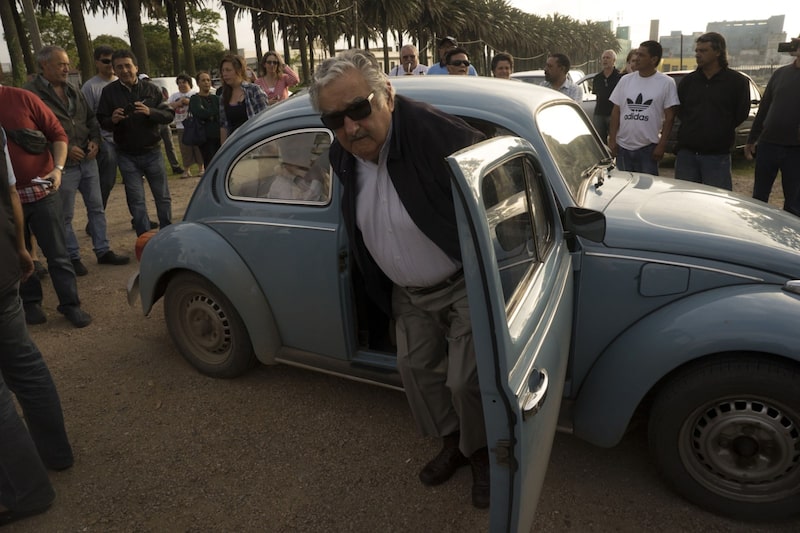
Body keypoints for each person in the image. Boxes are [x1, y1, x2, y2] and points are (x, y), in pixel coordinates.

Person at [309, 49, 490, 508]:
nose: (350, 127)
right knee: (416, 372)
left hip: (463, 283)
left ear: (387, 94)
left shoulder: (445, 139)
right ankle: (453, 443)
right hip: (407, 291)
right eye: (335, 119)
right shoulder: (342, 154)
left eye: (358, 109)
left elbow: (497, 212)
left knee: (465, 382)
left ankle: (484, 453)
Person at [0, 127, 73, 527]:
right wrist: (21, 248)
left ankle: (24, 491)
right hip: (3, 257)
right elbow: (9, 190)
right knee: (24, 363)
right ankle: (56, 455)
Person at [24, 45, 129, 275]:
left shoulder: (74, 90)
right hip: (62, 166)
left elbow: (91, 119)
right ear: (45, 65)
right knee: (65, 215)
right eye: (61, 64)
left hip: (87, 160)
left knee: (97, 208)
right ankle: (72, 256)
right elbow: (31, 132)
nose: (66, 68)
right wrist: (63, 148)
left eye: (67, 63)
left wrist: (95, 141)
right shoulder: (31, 94)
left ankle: (103, 250)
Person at [0, 85, 93, 328]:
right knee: (16, 253)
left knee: (57, 253)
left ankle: (70, 304)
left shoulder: (23, 98)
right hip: (5, 201)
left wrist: (58, 170)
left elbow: (58, 134)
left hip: (40, 191)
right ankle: (31, 303)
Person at [96, 49, 175, 236]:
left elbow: (168, 115)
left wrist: (150, 112)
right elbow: (101, 120)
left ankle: (168, 234)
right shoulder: (108, 92)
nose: (124, 70)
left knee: (162, 197)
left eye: (128, 66)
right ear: (114, 70)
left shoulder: (152, 89)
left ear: (136, 67)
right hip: (126, 154)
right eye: (119, 67)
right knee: (136, 200)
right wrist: (112, 120)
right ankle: (144, 238)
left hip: (153, 151)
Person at [674, 33, 751, 190]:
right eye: (697, 51)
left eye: (703, 51)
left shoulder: (736, 82)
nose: (698, 55)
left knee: (717, 205)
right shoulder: (689, 82)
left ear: (718, 52)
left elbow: (741, 112)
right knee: (683, 203)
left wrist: (720, 128)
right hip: (687, 154)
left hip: (717, 155)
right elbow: (680, 110)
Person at [745, 34, 800, 215]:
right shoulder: (780, 74)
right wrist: (752, 139)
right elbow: (764, 108)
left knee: (794, 203)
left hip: (796, 150)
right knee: (759, 199)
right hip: (769, 144)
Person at [608, 41, 679, 175]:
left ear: (653, 59)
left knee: (645, 192)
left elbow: (670, 118)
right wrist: (612, 140)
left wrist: (661, 145)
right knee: (624, 189)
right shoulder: (625, 80)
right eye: (636, 54)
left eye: (641, 55)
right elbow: (616, 112)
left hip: (648, 149)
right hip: (623, 147)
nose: (637, 58)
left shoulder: (666, 83)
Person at [80, 45, 118, 209]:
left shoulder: (120, 82)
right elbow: (85, 117)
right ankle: (97, 213)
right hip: (103, 138)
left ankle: (139, 219)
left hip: (125, 137)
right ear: (97, 62)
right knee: (107, 180)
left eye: (112, 61)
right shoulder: (90, 87)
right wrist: (93, 139)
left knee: (133, 180)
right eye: (105, 61)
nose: (110, 64)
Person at [218, 54, 268, 143]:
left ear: (239, 71)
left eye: (228, 70)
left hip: (254, 142)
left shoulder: (254, 90)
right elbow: (223, 126)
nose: (225, 74)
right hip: (235, 145)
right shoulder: (223, 96)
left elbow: (265, 119)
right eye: (223, 71)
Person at [168, 73, 203, 179]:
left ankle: (201, 168)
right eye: (179, 83)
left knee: (197, 147)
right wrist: (178, 103)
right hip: (180, 125)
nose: (182, 85)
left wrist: (188, 101)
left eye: (184, 82)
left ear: (189, 83)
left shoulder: (195, 93)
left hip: (195, 124)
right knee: (184, 148)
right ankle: (187, 170)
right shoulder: (174, 96)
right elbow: (168, 106)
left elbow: (200, 105)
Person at [188, 71, 221, 168]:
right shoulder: (195, 99)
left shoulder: (216, 98)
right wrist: (213, 112)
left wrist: (209, 113)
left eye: (208, 80)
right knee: (210, 164)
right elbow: (200, 113)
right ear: (198, 83)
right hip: (205, 137)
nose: (206, 82)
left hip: (219, 136)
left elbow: (220, 112)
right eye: (203, 80)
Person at [591, 50, 622, 143]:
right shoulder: (597, 78)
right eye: (603, 58)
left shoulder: (620, 77)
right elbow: (597, 95)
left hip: (614, 114)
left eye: (608, 58)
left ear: (614, 61)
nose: (605, 60)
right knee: (599, 142)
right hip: (599, 114)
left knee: (616, 141)